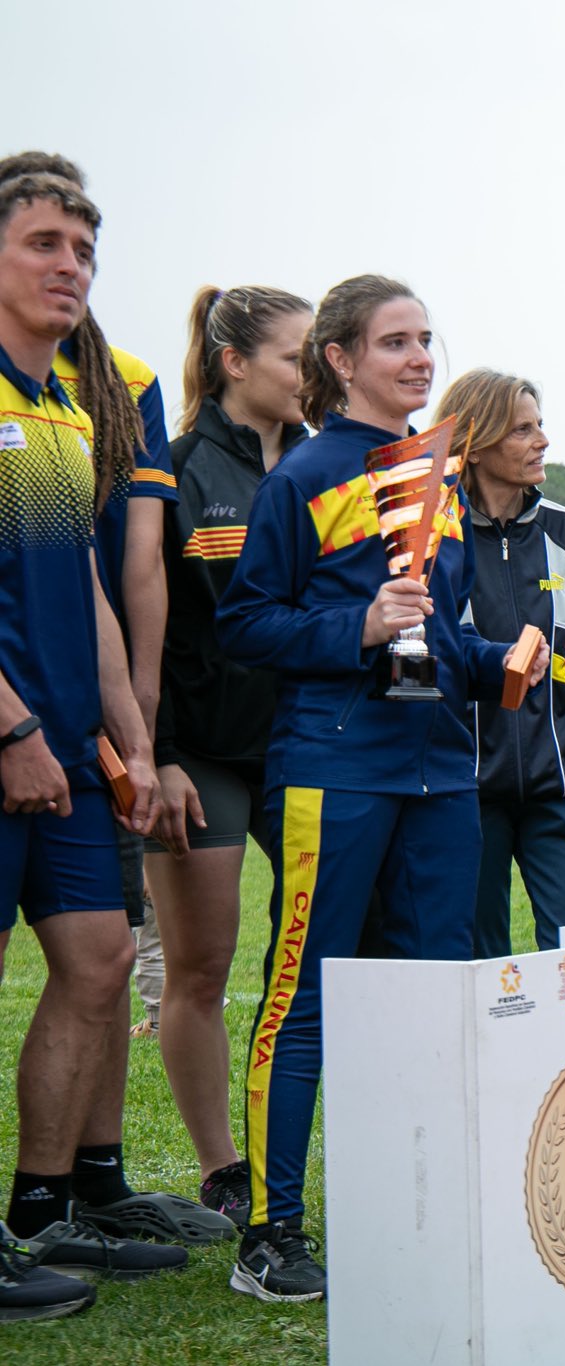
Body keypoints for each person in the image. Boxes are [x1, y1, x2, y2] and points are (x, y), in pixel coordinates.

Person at [216, 275, 545, 1302]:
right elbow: (244, 623)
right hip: (333, 769)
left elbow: (430, 628)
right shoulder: (304, 476)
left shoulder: (432, 471)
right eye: (393, 342)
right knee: (305, 999)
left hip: (441, 771)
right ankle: (270, 1232)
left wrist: (498, 662)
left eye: (425, 340)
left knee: (425, 1001)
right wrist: (349, 631)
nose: (417, 358)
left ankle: (410, 1210)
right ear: (340, 360)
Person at [0, 152, 225, 1255]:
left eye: (84, 251)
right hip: (12, 738)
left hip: (70, 746)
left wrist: (129, 735)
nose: (70, 267)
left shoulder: (62, 406)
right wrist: (14, 729)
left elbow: (89, 585)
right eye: (44, 244)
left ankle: (44, 1213)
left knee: (96, 961)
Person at [145, 284, 314, 1232]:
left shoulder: (330, 469)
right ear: (233, 363)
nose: (310, 374)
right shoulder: (175, 472)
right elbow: (151, 632)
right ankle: (222, 1169)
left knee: (331, 960)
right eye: (295, 357)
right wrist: (159, 756)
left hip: (305, 753)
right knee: (201, 969)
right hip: (202, 758)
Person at [437, 369, 565, 957]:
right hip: (463, 791)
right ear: (477, 444)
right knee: (476, 969)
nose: (542, 441)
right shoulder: (434, 536)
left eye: (540, 426)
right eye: (522, 430)